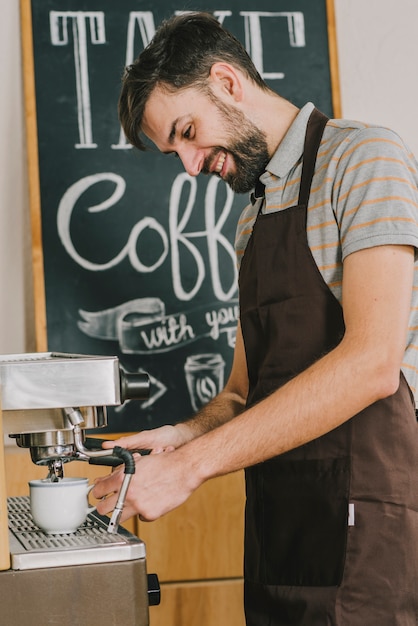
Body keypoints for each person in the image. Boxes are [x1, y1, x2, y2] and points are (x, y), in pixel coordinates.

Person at [93, 12, 418, 625]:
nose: (189, 165)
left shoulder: (364, 158)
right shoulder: (251, 220)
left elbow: (373, 363)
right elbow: (245, 391)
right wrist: (180, 438)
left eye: (187, 132)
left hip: (365, 527)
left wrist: (189, 471)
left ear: (227, 81)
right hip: (279, 528)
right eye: (175, 152)